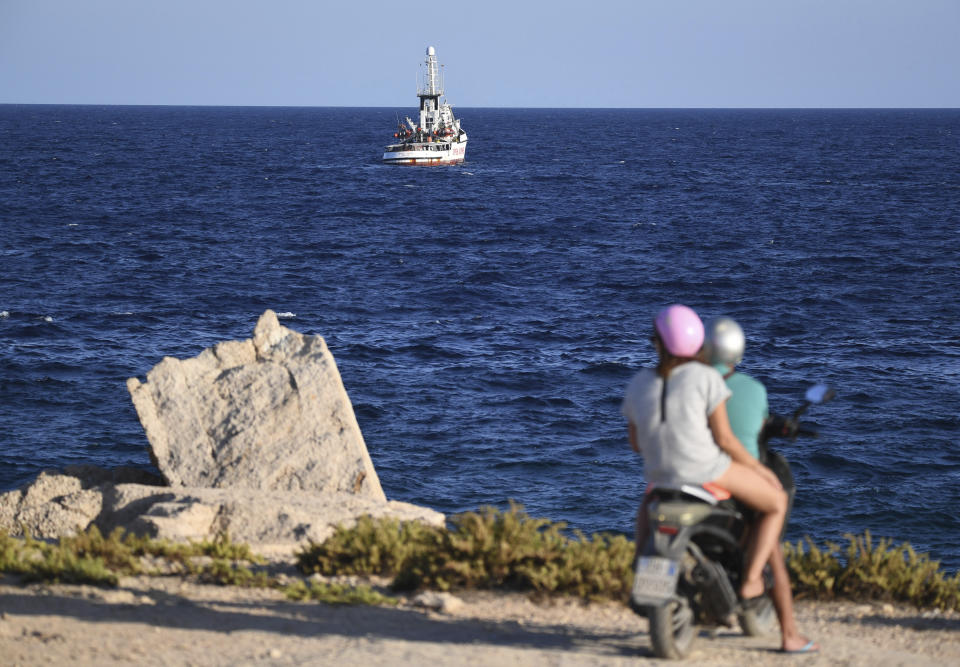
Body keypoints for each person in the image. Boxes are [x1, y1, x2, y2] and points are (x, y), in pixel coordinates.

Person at [622, 304, 813, 654]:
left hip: (661, 478)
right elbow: (725, 440)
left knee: (647, 506)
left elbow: (636, 443)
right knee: (775, 501)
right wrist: (760, 471)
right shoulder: (706, 378)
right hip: (707, 472)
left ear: (657, 343)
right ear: (698, 344)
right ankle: (753, 581)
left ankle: (641, 572)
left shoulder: (638, 383)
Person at [703, 316, 818, 654]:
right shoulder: (753, 389)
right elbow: (749, 431)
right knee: (774, 548)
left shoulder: (687, 383)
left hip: (691, 477)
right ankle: (787, 631)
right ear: (737, 353)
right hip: (738, 479)